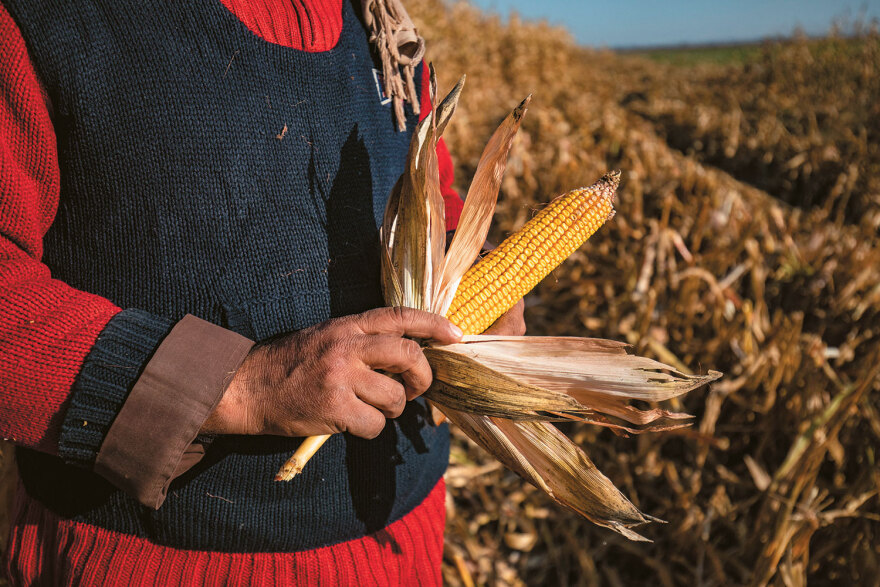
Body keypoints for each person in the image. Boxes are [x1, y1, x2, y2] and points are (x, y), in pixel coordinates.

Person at [0, 0, 525, 584]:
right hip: (155, 561)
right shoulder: (43, 23)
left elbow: (430, 193)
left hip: (403, 539)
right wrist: (242, 386)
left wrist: (470, 264)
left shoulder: (383, 31)